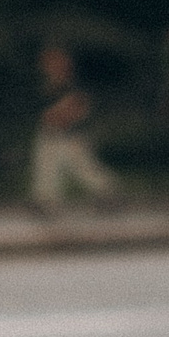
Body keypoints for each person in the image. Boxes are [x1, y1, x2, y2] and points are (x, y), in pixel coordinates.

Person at [30, 42, 122, 212]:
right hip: (53, 131)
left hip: (71, 133)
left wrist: (65, 116)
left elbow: (80, 107)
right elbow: (47, 112)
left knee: (81, 165)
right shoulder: (50, 86)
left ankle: (107, 190)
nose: (47, 66)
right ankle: (45, 198)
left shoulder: (72, 84)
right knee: (47, 163)